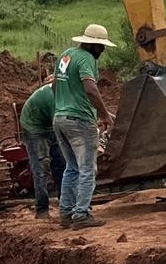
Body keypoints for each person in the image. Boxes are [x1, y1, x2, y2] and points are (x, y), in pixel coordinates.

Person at [52, 23, 115, 229]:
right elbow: (90, 88)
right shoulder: (87, 59)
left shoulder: (66, 55)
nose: (103, 50)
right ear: (93, 45)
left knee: (72, 168)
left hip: (60, 118)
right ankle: (81, 215)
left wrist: (67, 103)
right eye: (101, 46)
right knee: (88, 169)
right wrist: (104, 114)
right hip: (79, 121)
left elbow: (54, 85)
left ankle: (66, 213)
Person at [20, 79, 66, 219]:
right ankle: (42, 209)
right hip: (35, 129)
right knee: (41, 169)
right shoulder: (52, 98)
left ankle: (65, 204)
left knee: (62, 166)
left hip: (49, 125)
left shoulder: (64, 92)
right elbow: (60, 124)